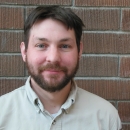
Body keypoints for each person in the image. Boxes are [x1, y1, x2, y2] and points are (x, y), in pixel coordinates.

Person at [0, 6, 122, 130]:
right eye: (41, 45)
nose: (53, 58)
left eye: (64, 46)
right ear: (24, 51)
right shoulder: (2, 114)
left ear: (79, 51)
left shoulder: (106, 118)